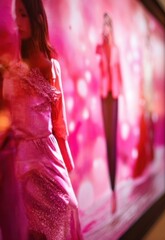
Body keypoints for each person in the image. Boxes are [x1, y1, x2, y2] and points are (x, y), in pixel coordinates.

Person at [1, 0, 82, 238]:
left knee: (69, 208)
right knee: (29, 227)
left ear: (36, 19)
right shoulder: (11, 70)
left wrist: (66, 161)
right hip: (20, 160)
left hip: (48, 153)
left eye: (23, 15)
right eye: (16, 15)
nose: (18, 21)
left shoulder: (52, 67)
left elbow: (59, 120)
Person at [96, 13, 123, 191]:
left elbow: (119, 71)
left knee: (113, 138)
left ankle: (114, 183)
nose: (106, 29)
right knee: (107, 138)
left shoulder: (116, 49)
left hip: (114, 94)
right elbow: (97, 68)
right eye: (104, 25)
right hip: (103, 93)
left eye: (109, 25)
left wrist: (121, 93)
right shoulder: (98, 48)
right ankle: (110, 183)